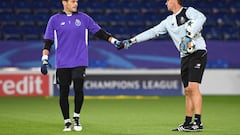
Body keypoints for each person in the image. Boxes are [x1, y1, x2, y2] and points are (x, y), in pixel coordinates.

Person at [118, 0, 207, 132]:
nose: (166, 3)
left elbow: (202, 18)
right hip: (184, 56)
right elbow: (152, 32)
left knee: (193, 87)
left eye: (167, 1)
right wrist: (131, 41)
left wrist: (189, 35)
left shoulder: (188, 11)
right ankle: (188, 123)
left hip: (198, 52)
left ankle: (198, 122)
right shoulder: (168, 21)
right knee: (188, 90)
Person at [40, 0, 120, 132]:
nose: (76, 4)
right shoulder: (54, 20)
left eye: (76, 1)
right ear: (64, 2)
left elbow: (100, 33)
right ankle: (66, 121)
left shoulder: (84, 18)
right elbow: (48, 42)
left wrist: (114, 41)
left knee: (78, 85)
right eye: (72, 1)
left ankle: (76, 117)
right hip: (62, 62)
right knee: (63, 92)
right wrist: (44, 59)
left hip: (80, 60)